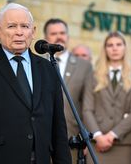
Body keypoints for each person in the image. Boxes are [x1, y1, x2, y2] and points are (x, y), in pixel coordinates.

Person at [0, 3, 71, 164]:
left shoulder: (48, 68)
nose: (19, 32)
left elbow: (58, 129)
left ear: (33, 31)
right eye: (11, 26)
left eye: (24, 26)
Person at [83, 31, 131, 164]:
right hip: (96, 143)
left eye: (118, 44)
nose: (114, 48)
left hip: (124, 143)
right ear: (105, 49)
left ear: (125, 47)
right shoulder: (93, 76)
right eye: (110, 45)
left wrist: (112, 135)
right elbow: (87, 109)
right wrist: (98, 136)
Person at [43, 18, 92, 162]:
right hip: (41, 138)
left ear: (68, 36)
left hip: (72, 140)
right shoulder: (35, 63)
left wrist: (88, 137)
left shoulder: (84, 66)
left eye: (63, 33)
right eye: (54, 33)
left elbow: (88, 105)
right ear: (46, 38)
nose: (59, 36)